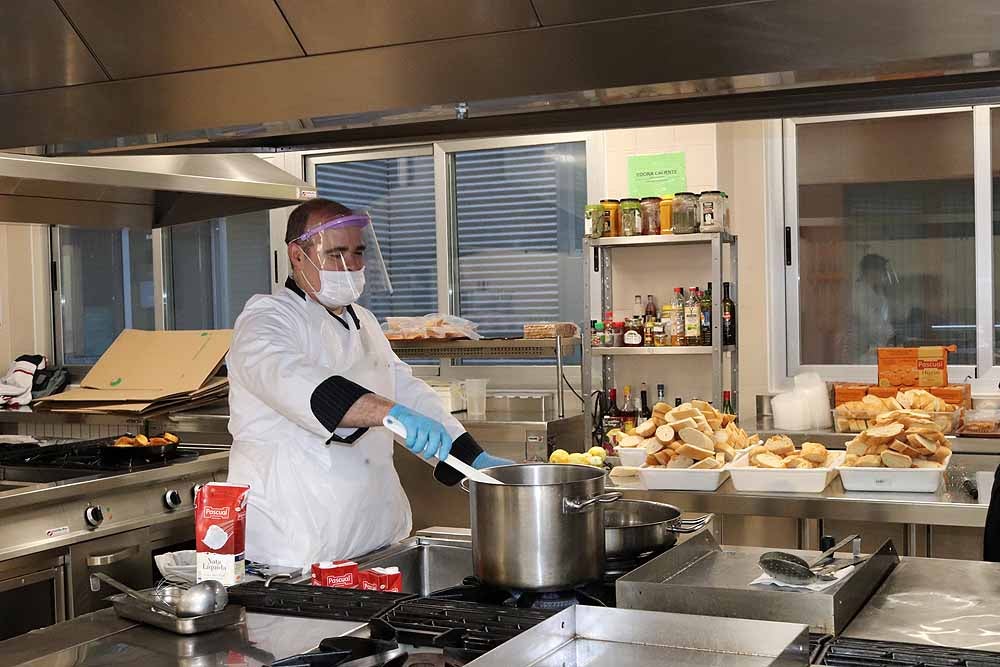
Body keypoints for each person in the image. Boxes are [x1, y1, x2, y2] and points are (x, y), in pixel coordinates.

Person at [226, 198, 511, 568]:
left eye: (358, 252)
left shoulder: (363, 320)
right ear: (298, 255)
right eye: (337, 253)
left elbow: (403, 390)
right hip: (296, 546)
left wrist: (471, 460)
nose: (352, 265)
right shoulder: (266, 319)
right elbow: (301, 383)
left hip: (374, 538)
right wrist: (390, 413)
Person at [844, 253, 895, 363]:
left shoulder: (877, 294)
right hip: (861, 353)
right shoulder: (859, 294)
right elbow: (873, 325)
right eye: (882, 271)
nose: (884, 276)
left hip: (871, 350)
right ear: (871, 272)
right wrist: (890, 333)